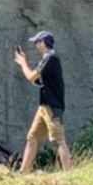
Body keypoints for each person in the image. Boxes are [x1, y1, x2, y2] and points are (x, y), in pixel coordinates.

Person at [13, 30, 72, 172]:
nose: (35, 45)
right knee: (32, 138)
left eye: (36, 42)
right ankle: (23, 172)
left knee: (59, 140)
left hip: (52, 107)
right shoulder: (48, 60)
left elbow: (31, 77)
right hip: (44, 107)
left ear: (43, 43)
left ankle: (69, 173)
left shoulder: (50, 58)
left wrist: (22, 63)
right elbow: (39, 81)